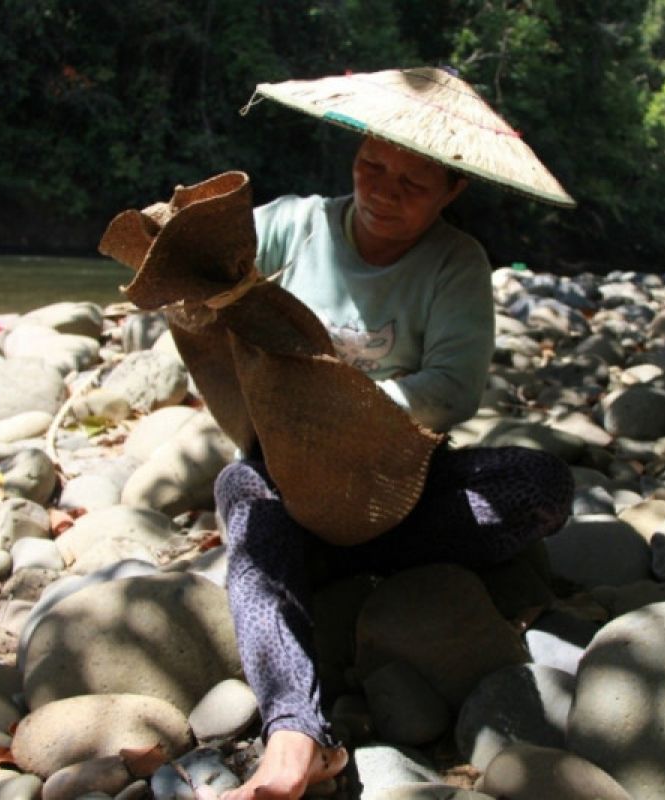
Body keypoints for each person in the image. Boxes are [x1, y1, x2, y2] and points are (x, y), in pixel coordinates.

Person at [207, 69, 579, 799]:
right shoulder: (292, 225)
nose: (382, 191)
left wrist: (340, 407)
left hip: (397, 484)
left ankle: (330, 563)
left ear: (452, 192)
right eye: (371, 165)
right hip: (289, 476)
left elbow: (449, 389)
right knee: (239, 492)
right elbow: (210, 268)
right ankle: (295, 732)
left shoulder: (455, 265)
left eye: (412, 184)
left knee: (542, 486)